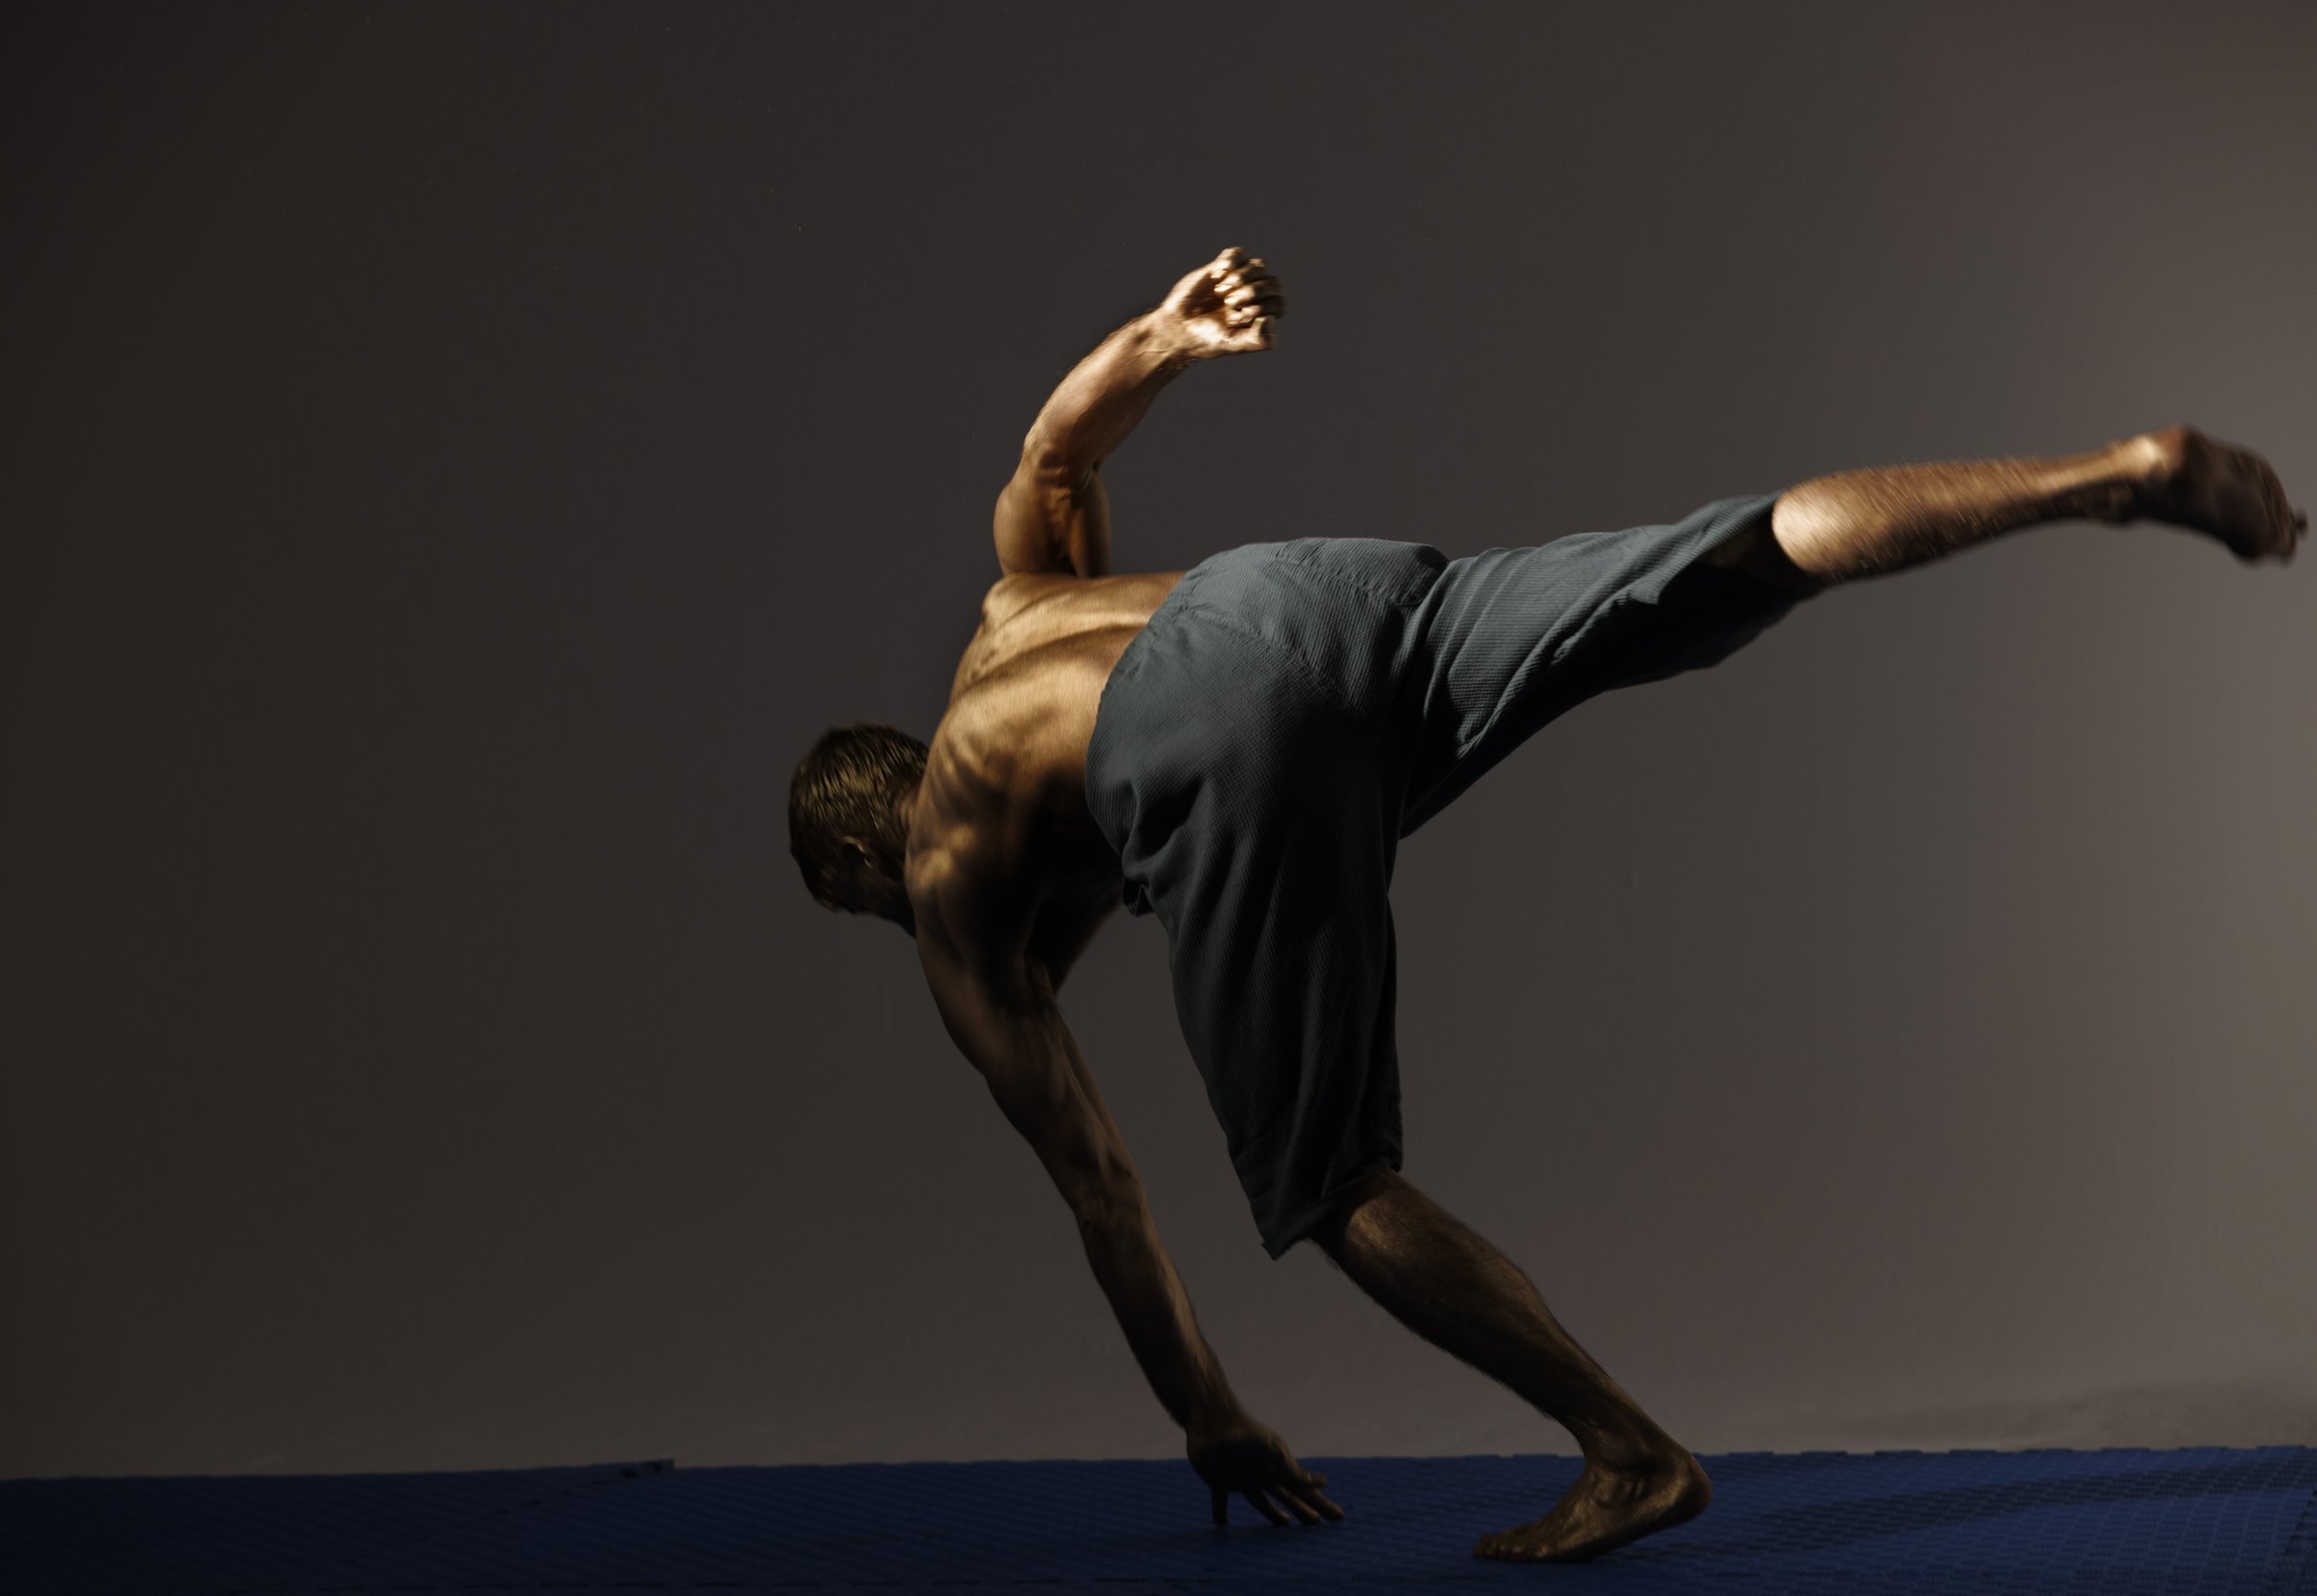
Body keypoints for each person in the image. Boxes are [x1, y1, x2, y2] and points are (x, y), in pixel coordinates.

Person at [785, 247, 2303, 1563]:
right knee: (1729, 553)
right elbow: (1054, 457)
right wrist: (1167, 338)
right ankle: (2107, 476)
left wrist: (1209, 1415)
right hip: (1300, 597)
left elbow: (1104, 1187)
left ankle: (1632, 1453)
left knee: (1331, 1183)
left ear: (860, 865)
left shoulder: (937, 887)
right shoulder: (1014, 607)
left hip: (1221, 743)